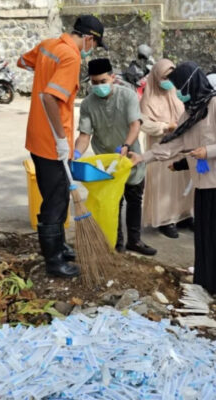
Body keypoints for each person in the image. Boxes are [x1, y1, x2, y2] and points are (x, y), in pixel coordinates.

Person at [129, 61, 216, 297]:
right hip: (205, 183)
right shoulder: (192, 111)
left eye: (181, 88)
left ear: (192, 84)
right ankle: (209, 283)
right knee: (207, 235)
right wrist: (143, 158)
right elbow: (175, 143)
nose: (178, 93)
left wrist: (210, 150)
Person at [17, 15, 107, 278]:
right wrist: (59, 138)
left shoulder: (49, 45)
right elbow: (50, 98)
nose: (90, 50)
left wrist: (44, 71)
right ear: (89, 38)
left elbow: (23, 61)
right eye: (94, 45)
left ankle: (58, 245)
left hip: (36, 137)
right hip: (51, 142)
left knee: (53, 195)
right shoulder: (70, 56)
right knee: (56, 201)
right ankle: (54, 261)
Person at [74, 58, 157, 256]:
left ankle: (134, 240)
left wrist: (126, 145)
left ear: (112, 77)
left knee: (134, 199)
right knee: (113, 202)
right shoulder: (87, 104)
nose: (98, 86)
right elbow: (85, 135)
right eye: (94, 83)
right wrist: (76, 154)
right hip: (106, 162)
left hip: (130, 159)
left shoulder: (127, 96)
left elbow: (135, 125)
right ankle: (117, 241)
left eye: (102, 81)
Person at [139, 59, 193, 239]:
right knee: (163, 184)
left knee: (182, 179)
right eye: (164, 77)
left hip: (180, 144)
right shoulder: (149, 97)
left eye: (170, 77)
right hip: (159, 145)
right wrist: (164, 126)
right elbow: (143, 123)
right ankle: (165, 220)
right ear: (156, 77)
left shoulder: (177, 93)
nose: (168, 81)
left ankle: (183, 215)